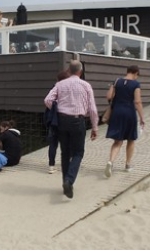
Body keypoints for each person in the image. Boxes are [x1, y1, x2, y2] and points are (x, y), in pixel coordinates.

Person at [44, 60, 99, 199]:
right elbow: (92, 108)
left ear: (69, 70)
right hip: (78, 120)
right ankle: (69, 180)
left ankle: (65, 182)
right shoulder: (86, 85)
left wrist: (57, 109)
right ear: (80, 71)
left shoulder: (60, 84)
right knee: (78, 152)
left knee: (65, 153)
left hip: (62, 120)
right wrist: (94, 127)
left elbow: (48, 100)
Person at [104, 65, 145, 178]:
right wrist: (142, 117)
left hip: (117, 112)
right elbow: (137, 102)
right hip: (129, 113)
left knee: (118, 141)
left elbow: (108, 96)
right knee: (131, 139)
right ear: (136, 73)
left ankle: (110, 162)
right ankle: (127, 165)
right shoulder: (136, 84)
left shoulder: (117, 81)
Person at [44, 69, 71, 174]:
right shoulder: (66, 88)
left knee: (53, 143)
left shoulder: (55, 87)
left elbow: (47, 101)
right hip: (64, 118)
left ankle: (51, 165)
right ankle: (68, 163)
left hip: (53, 119)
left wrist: (54, 108)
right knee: (66, 142)